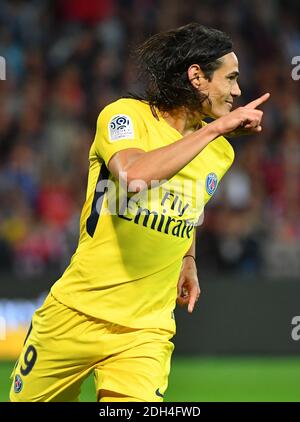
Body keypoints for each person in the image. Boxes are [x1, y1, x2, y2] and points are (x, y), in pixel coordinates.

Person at [10, 22, 269, 402]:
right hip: (75, 314)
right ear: (197, 77)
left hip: (145, 332)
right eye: (230, 79)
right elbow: (134, 176)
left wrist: (189, 257)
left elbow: (188, 206)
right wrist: (216, 130)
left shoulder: (220, 153)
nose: (238, 91)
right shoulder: (125, 117)